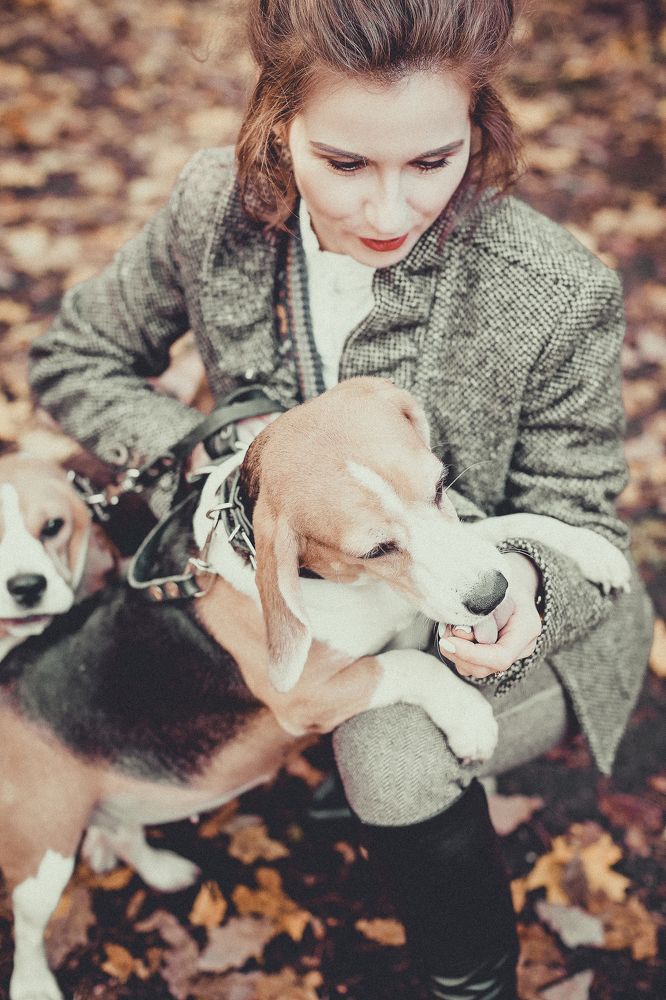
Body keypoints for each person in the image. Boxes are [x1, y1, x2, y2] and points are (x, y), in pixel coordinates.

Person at [29, 1, 654, 996]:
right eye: (346, 164)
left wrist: (526, 595)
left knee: (391, 752)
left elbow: (580, 516)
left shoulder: (553, 286)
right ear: (277, 124)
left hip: (505, 610)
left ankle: (474, 979)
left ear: (477, 121)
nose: (391, 212)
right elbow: (74, 360)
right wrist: (217, 457)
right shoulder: (212, 210)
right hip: (309, 593)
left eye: (433, 160)